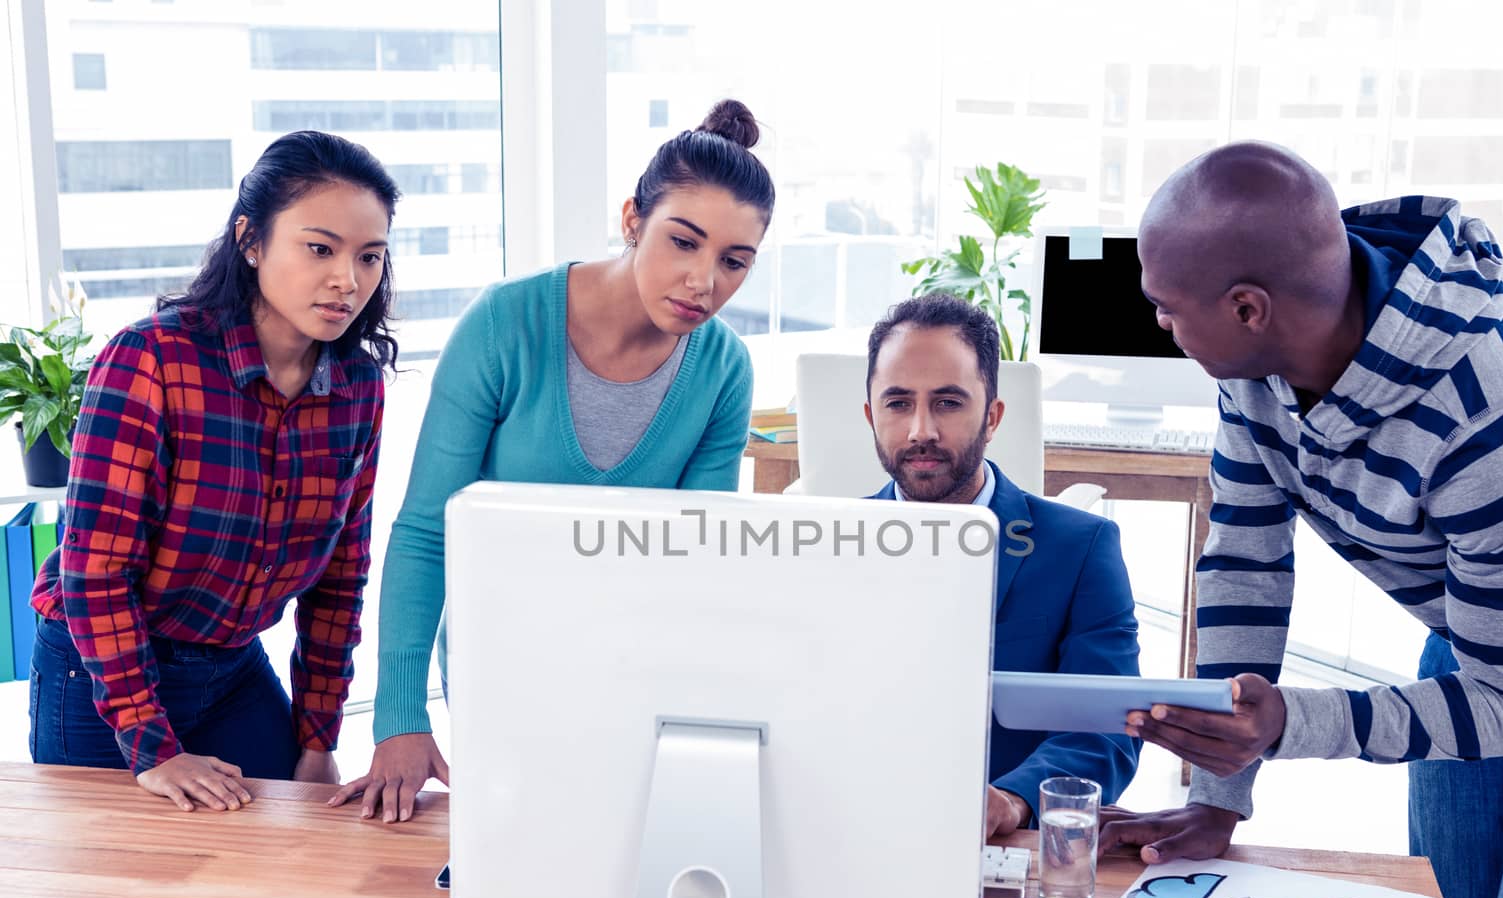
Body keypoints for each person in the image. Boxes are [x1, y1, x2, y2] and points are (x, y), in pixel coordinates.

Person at [1100, 141, 1503, 898]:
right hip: (1477, 637)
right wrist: (1220, 792)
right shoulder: (1259, 362)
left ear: (1249, 306)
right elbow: (1247, 561)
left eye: (1165, 307)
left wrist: (1286, 722)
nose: (1160, 323)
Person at [335, 100, 774, 822]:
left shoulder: (724, 368)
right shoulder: (505, 324)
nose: (704, 282)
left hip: (638, 670)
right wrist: (400, 714)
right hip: (498, 663)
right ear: (633, 218)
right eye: (683, 243)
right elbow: (424, 532)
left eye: (734, 262)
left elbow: (699, 555)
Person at [29, 131, 397, 812]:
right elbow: (95, 571)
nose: (348, 279)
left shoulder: (357, 387)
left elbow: (341, 576)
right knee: (122, 891)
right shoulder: (151, 360)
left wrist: (318, 738)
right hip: (99, 665)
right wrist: (151, 746)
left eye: (369, 256)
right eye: (320, 248)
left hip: (230, 668)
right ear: (250, 241)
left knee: (298, 849)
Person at [863, 293, 1141, 839]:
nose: (921, 430)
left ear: (992, 416)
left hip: (1001, 844)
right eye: (898, 404)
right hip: (858, 830)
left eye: (948, 403)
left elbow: (1109, 728)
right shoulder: (825, 545)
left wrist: (1012, 799)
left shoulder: (1082, 549)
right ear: (871, 416)